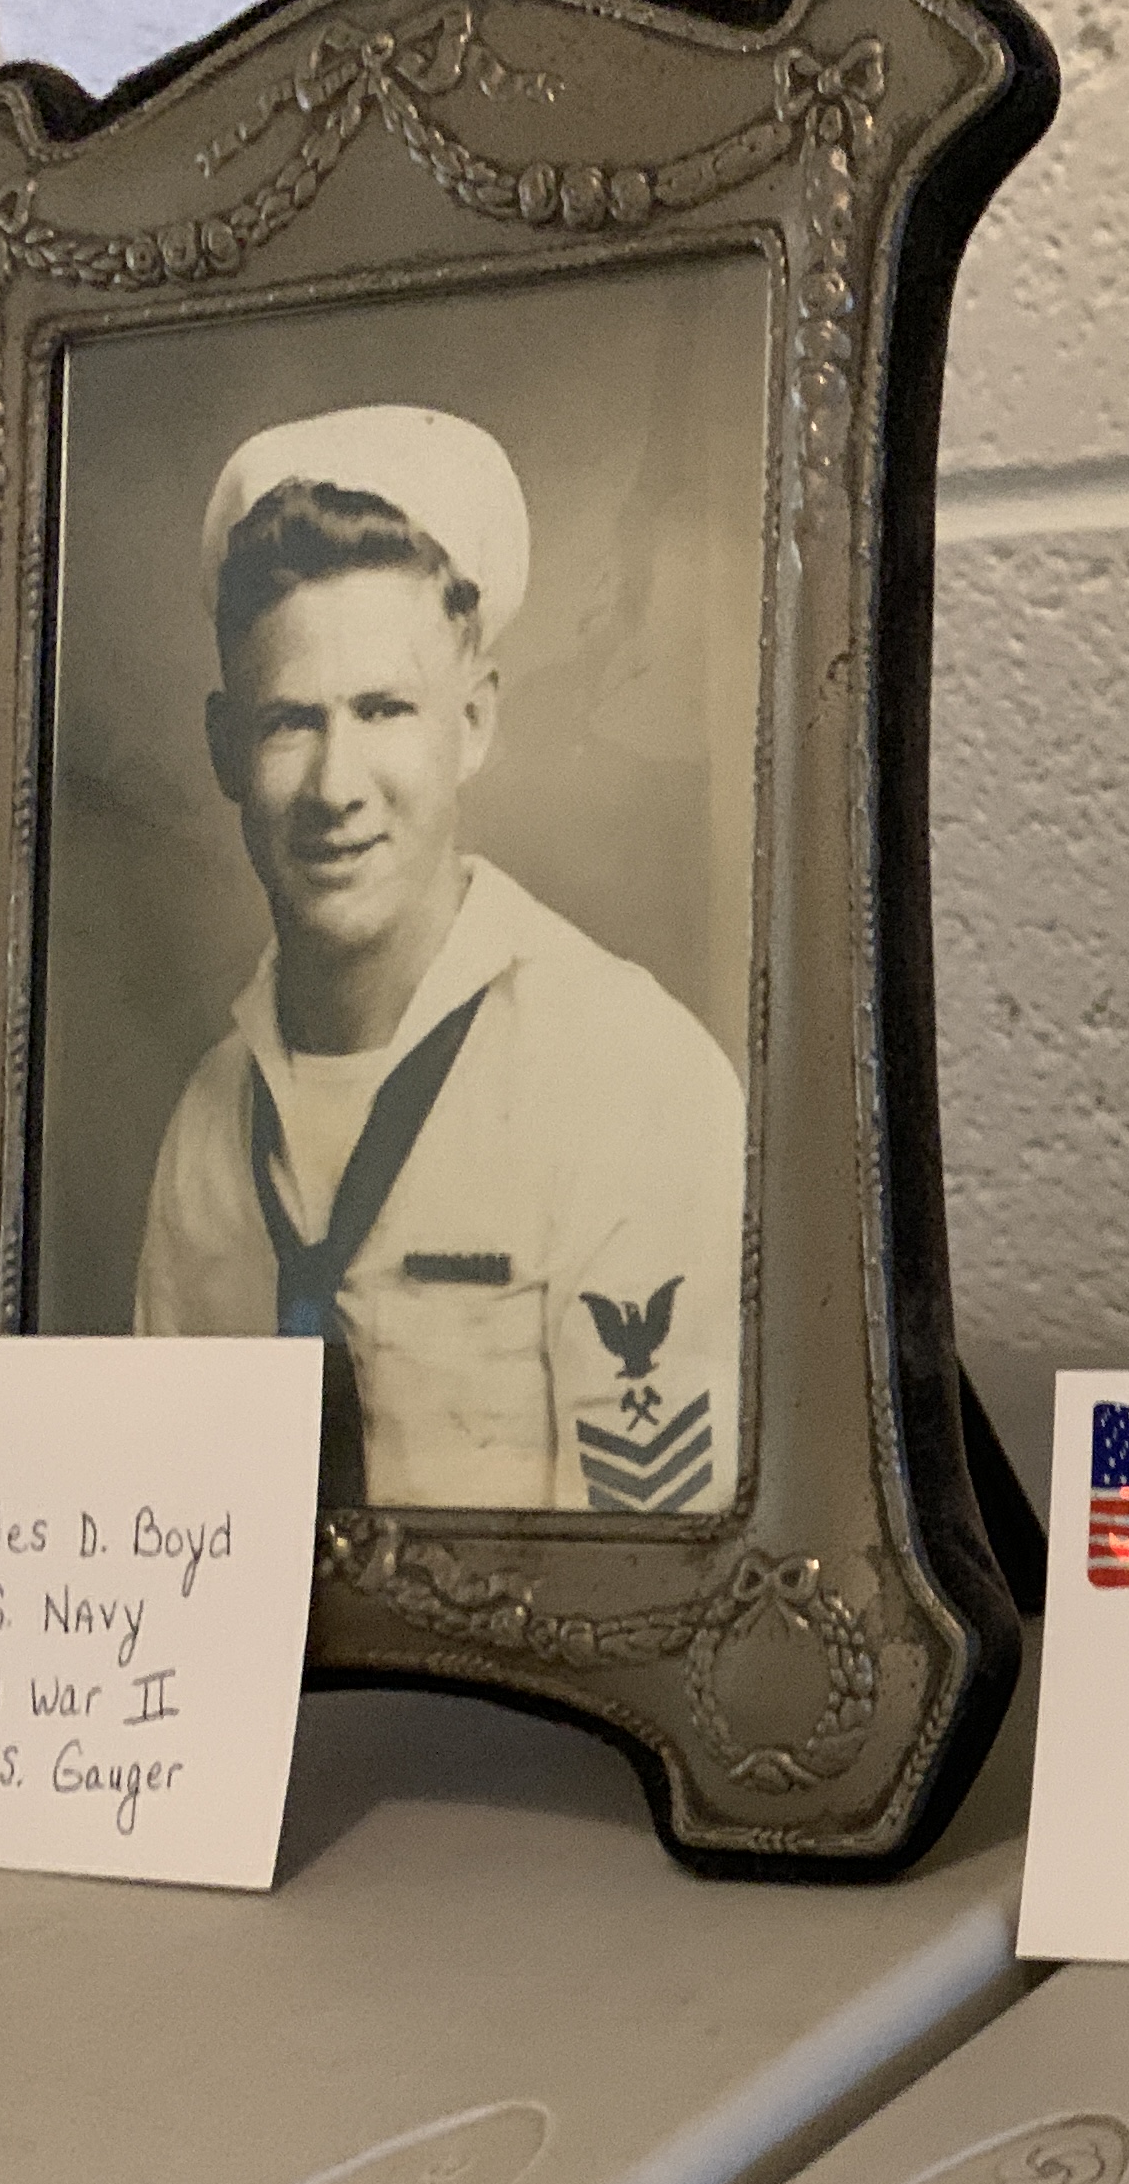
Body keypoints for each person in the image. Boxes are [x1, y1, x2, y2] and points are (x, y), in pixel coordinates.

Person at [133, 405, 744, 1515]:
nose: (336, 788)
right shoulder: (210, 1128)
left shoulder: (636, 1080)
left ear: (473, 722)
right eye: (289, 722)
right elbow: (168, 1535)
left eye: (384, 710)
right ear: (225, 750)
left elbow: (654, 1580)